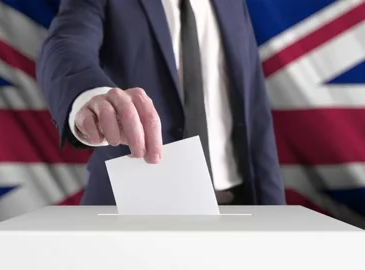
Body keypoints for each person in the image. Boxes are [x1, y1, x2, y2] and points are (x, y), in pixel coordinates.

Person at [36, 0, 286, 205]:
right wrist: (90, 94)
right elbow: (66, 43)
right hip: (136, 207)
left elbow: (254, 110)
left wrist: (276, 212)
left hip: (239, 204)